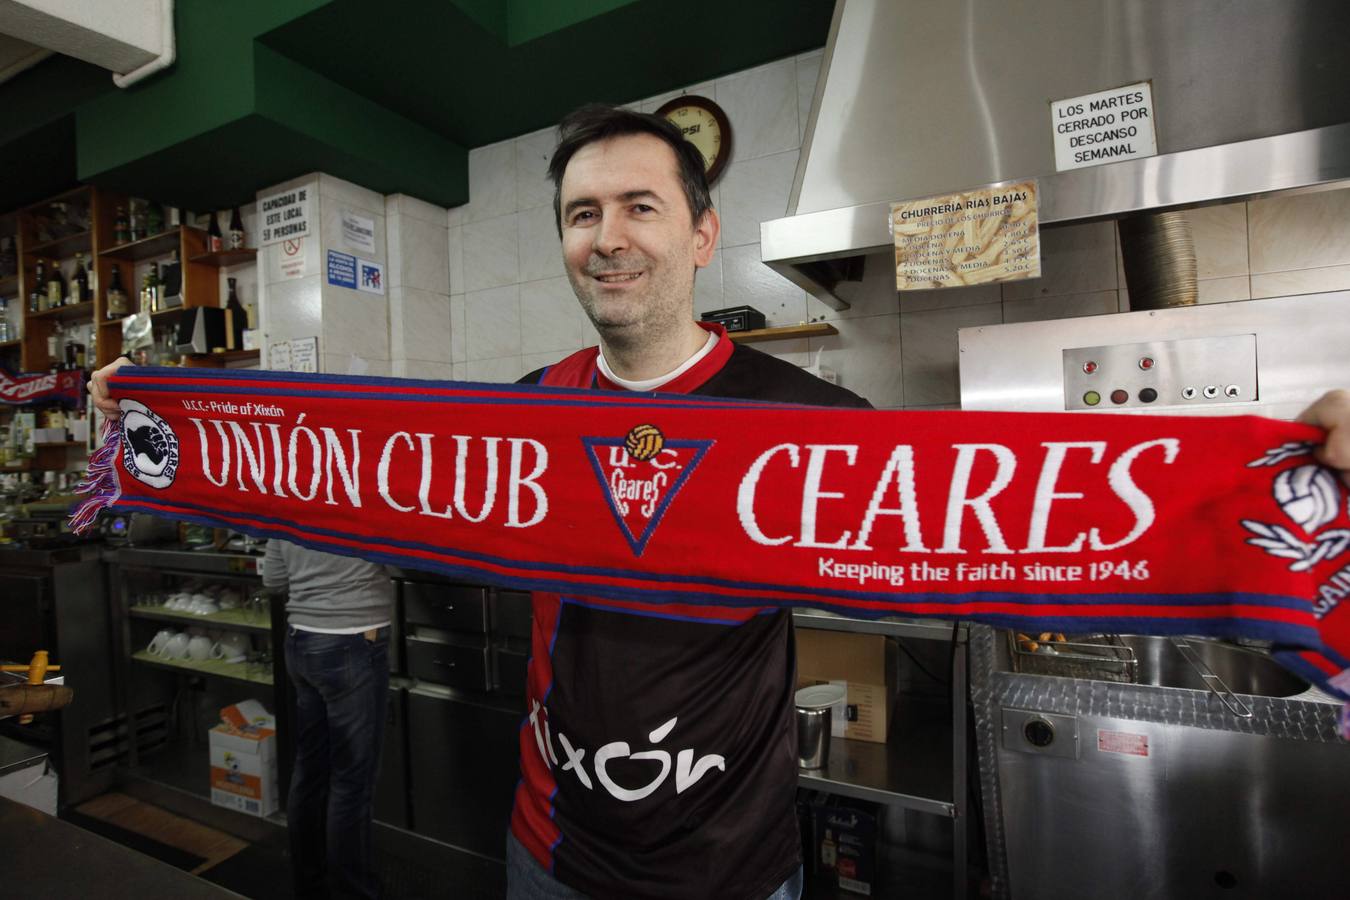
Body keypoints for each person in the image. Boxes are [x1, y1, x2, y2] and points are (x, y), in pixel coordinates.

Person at [88, 107, 1350, 899]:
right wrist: (164, 427)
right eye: (583, 213)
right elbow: (354, 477)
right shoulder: (530, 409)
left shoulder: (809, 421)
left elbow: (1024, 509)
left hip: (729, 870)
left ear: (701, 234)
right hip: (549, 850)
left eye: (640, 205)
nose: (608, 235)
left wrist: (1298, 470)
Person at [263, 538, 393, 900]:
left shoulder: (288, 490)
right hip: (353, 641)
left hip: (301, 640)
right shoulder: (365, 491)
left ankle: (311, 886)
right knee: (351, 782)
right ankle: (354, 892)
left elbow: (272, 579)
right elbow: (402, 559)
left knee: (310, 771)